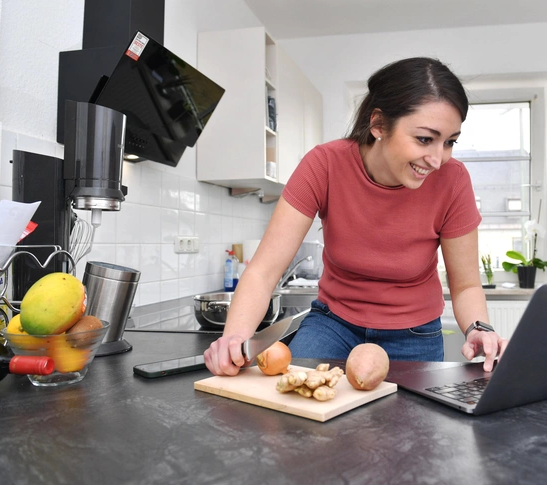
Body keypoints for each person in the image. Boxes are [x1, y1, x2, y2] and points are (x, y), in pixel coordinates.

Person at [204, 57, 508, 377]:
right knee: (296, 403)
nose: (437, 158)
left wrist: (479, 328)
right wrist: (234, 339)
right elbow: (263, 271)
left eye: (450, 142)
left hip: (415, 334)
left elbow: (466, 286)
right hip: (333, 325)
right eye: (423, 139)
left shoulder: (453, 179)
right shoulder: (325, 164)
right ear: (378, 125)